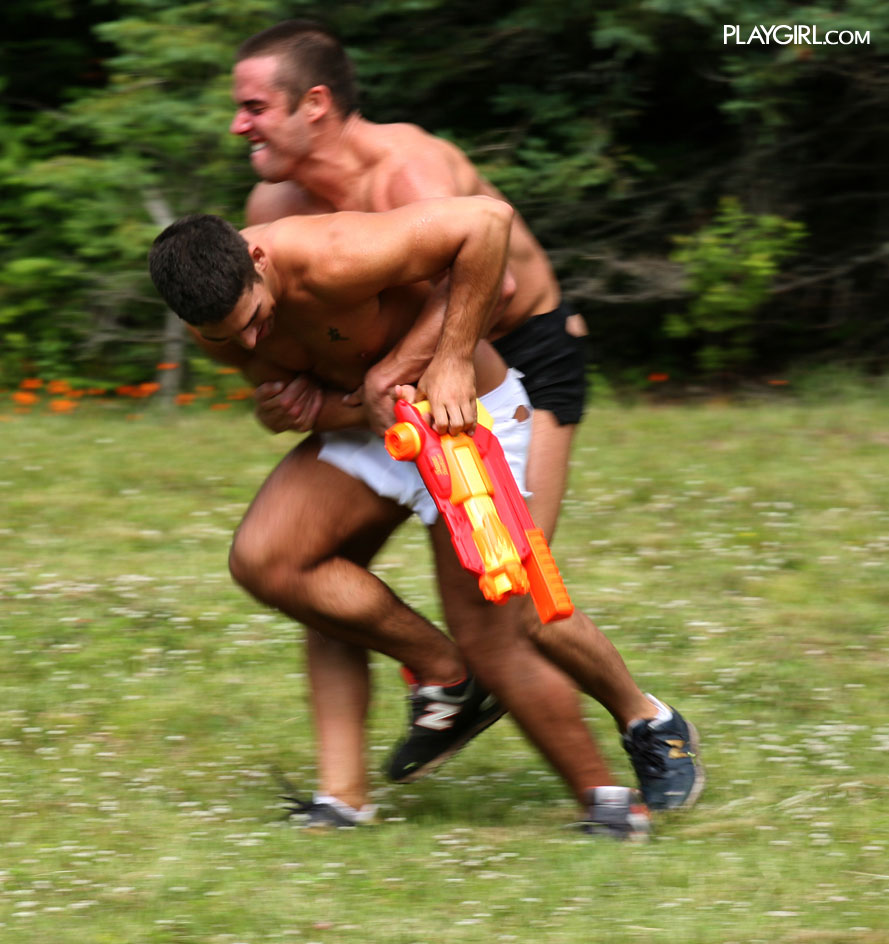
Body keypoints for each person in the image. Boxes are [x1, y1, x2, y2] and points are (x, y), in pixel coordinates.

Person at [223, 19, 704, 814]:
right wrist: (291, 395)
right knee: (321, 572)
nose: (238, 126)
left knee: (517, 600)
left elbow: (493, 288)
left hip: (517, 365)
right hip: (403, 395)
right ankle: (365, 772)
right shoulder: (275, 206)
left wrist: (400, 371)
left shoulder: (406, 172)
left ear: (314, 104)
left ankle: (648, 721)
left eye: (254, 107)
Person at [149, 198, 651, 839]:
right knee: (269, 560)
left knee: (493, 629)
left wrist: (447, 358)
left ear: (259, 259)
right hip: (375, 429)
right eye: (229, 336)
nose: (248, 341)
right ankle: (424, 701)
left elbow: (487, 223)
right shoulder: (215, 321)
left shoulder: (336, 253)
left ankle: (609, 802)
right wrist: (284, 412)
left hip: (466, 415)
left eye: (251, 320)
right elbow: (319, 397)